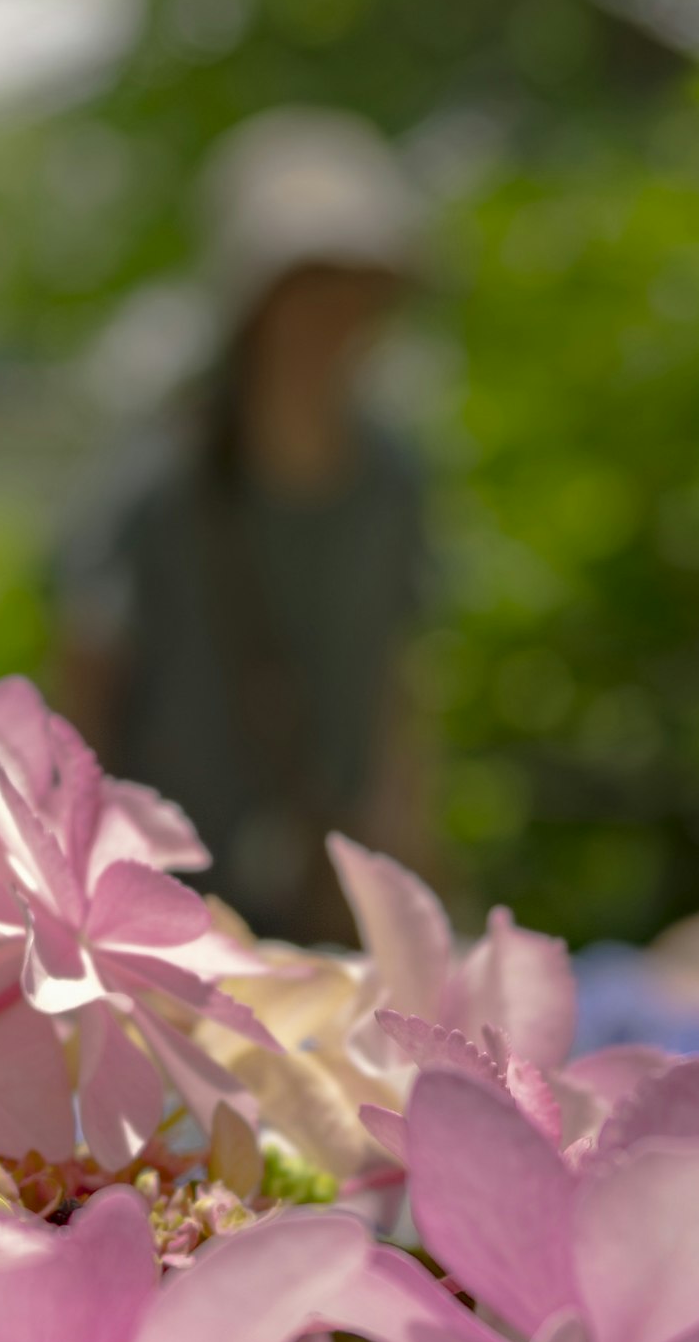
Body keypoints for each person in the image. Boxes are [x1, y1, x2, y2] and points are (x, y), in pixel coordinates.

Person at [54, 108, 436, 943]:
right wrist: (81, 889)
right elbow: (85, 680)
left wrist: (405, 879)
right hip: (163, 900)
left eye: (356, 286)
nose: (335, 317)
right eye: (309, 285)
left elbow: (395, 686)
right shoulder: (156, 481)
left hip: (319, 893)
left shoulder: (393, 482)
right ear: (252, 304)